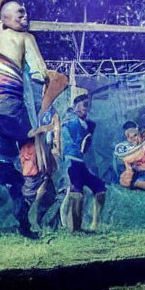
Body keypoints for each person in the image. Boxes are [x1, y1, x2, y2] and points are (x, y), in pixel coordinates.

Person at [0, 0, 64, 239]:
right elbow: (39, 71)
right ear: (6, 19)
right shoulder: (26, 38)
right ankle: (26, 197)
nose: (25, 17)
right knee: (34, 146)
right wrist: (48, 81)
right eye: (21, 13)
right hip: (10, 109)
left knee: (18, 150)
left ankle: (18, 198)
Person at [60, 93, 107, 231]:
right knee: (76, 194)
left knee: (100, 188)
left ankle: (95, 224)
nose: (85, 108)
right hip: (71, 163)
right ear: (75, 107)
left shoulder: (89, 125)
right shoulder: (69, 122)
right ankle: (74, 228)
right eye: (82, 105)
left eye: (87, 105)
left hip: (80, 163)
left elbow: (85, 147)